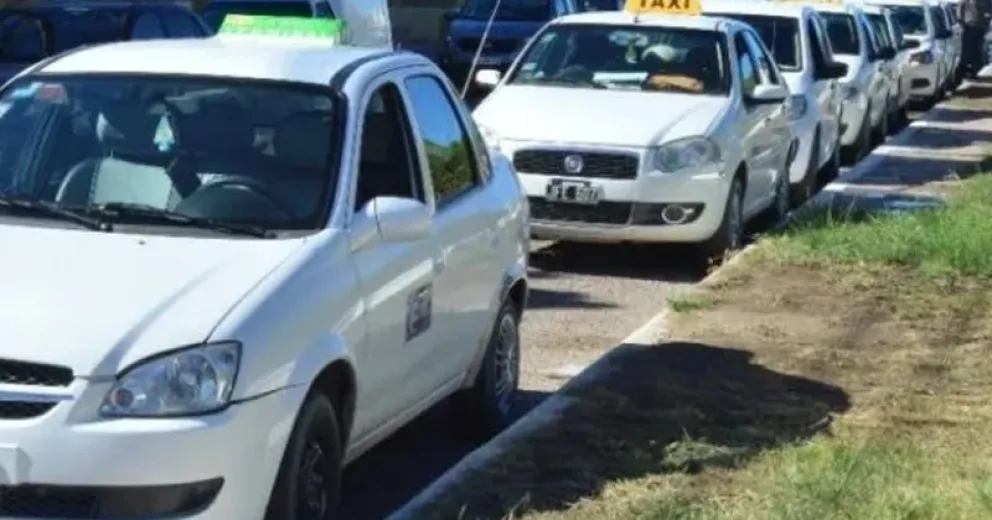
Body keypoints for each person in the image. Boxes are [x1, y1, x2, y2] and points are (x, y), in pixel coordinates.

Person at [958, 0, 992, 78]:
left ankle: (973, 75)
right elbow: (960, 18)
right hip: (971, 31)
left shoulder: (986, 3)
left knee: (976, 56)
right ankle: (961, 77)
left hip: (978, 32)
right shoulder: (965, 3)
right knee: (968, 56)